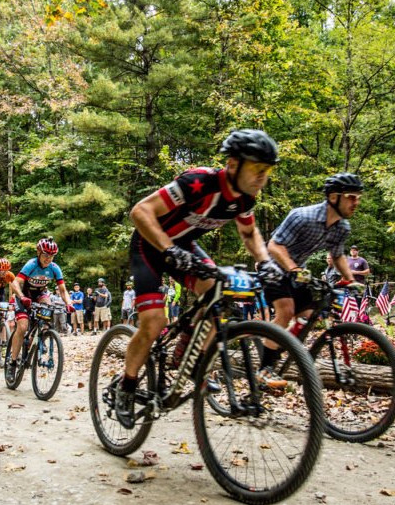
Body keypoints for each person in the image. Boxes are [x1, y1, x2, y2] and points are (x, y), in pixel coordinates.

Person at [115, 129, 280, 428]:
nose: (262, 177)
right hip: (150, 246)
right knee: (154, 322)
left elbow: (249, 233)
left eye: (266, 170)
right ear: (233, 165)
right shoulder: (199, 182)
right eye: (256, 168)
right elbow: (140, 212)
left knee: (221, 295)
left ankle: (190, 360)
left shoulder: (245, 198)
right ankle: (126, 388)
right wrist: (167, 249)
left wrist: (265, 262)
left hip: (185, 247)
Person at [259, 173, 363, 378]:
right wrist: (293, 269)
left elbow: (338, 255)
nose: (356, 202)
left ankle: (277, 348)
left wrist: (351, 279)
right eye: (351, 197)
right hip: (273, 266)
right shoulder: (302, 216)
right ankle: (265, 368)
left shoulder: (342, 226)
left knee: (308, 318)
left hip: (298, 271)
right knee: (286, 311)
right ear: (334, 197)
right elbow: (274, 245)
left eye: (359, 197)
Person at [7, 238, 74, 379]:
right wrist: (21, 296)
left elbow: (62, 290)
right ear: (38, 252)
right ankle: (12, 363)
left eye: (52, 256)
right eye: (45, 255)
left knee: (48, 309)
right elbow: (15, 283)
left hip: (40, 294)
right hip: (23, 294)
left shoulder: (54, 268)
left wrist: (69, 303)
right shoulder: (31, 264)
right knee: (23, 326)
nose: (48, 258)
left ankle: (40, 338)